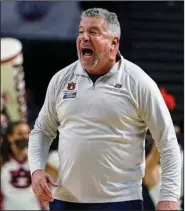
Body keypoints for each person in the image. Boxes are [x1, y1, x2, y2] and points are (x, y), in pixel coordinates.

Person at [28, 8, 181, 211]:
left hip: (120, 201)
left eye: (93, 32)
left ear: (114, 43)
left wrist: (169, 196)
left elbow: (167, 141)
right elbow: (41, 131)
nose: (83, 37)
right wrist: (37, 169)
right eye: (81, 31)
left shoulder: (138, 82)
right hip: (66, 201)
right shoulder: (61, 79)